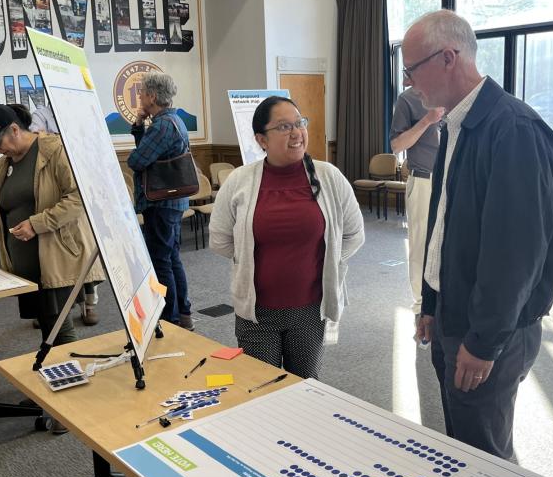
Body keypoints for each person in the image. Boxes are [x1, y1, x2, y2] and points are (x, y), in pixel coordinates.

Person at [404, 10, 553, 460]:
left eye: (412, 69)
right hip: (455, 315)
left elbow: (515, 255)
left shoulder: (513, 130)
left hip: (490, 328)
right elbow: (444, 227)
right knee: (463, 447)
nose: (410, 82)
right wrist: (431, 302)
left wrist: (483, 342)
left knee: (487, 461)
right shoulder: (457, 123)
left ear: (449, 58)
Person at [209, 96, 364, 378]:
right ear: (261, 139)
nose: (296, 133)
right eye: (283, 127)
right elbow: (220, 239)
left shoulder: (328, 176)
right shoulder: (239, 181)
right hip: (257, 312)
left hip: (309, 310)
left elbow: (354, 234)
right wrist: (249, 260)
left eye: (299, 123)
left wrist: (328, 261)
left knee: (306, 389)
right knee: (261, 390)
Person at [0, 103, 105, 347]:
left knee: (57, 326)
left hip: (55, 257)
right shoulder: (3, 166)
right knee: (50, 325)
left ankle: (74, 375)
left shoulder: (55, 151)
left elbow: (79, 198)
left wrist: (36, 224)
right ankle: (62, 371)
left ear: (15, 130)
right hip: (25, 264)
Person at [126, 72, 194, 330]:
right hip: (172, 202)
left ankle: (172, 318)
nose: (140, 97)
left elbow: (137, 160)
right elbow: (147, 151)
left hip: (161, 204)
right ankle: (183, 314)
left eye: (142, 93)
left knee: (161, 261)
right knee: (171, 258)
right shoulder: (172, 121)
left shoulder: (163, 125)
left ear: (153, 96)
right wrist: (139, 124)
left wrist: (141, 130)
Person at [25, 103, 98, 325]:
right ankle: (56, 308)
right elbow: (39, 138)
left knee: (85, 249)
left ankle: (90, 303)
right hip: (54, 184)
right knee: (62, 252)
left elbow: (88, 139)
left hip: (82, 178)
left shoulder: (79, 111)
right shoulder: (40, 113)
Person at [389, 87, 445, 317]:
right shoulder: (408, 99)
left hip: (454, 181)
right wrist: (427, 121)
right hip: (424, 181)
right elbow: (397, 145)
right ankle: (422, 306)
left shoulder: (454, 94)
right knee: (421, 244)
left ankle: (447, 301)